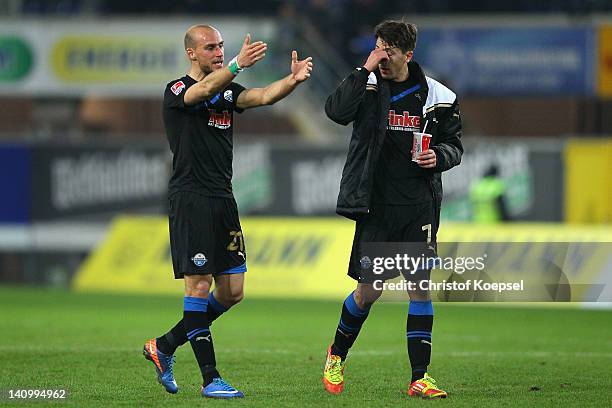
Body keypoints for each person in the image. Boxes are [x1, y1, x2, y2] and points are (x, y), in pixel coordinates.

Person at [142, 24, 313, 399]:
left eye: (221, 46)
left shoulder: (227, 93)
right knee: (199, 286)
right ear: (191, 53)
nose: (218, 52)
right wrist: (237, 63)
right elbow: (200, 91)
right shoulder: (176, 90)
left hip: (223, 199)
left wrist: (293, 81)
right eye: (210, 47)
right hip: (192, 199)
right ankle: (209, 378)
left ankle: (165, 345)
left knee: (233, 291)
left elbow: (264, 96)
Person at [322, 20, 462, 399]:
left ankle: (420, 377)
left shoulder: (437, 96)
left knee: (420, 288)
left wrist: (440, 156)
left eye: (390, 51)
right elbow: (335, 111)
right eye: (379, 48)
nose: (383, 57)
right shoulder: (366, 85)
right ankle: (336, 354)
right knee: (370, 292)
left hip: (418, 205)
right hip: (376, 205)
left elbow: (455, 145)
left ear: (408, 55)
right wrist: (363, 69)